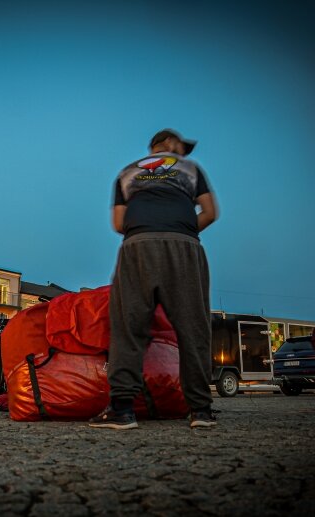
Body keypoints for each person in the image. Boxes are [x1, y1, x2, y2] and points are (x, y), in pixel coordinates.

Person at [90, 128, 219, 430]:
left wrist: (148, 227)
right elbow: (211, 212)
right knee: (193, 327)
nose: (184, 153)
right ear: (171, 145)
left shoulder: (126, 173)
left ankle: (122, 410)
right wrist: (183, 229)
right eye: (181, 148)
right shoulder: (190, 169)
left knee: (128, 326)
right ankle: (200, 411)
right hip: (184, 245)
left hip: (138, 246)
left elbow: (118, 223)